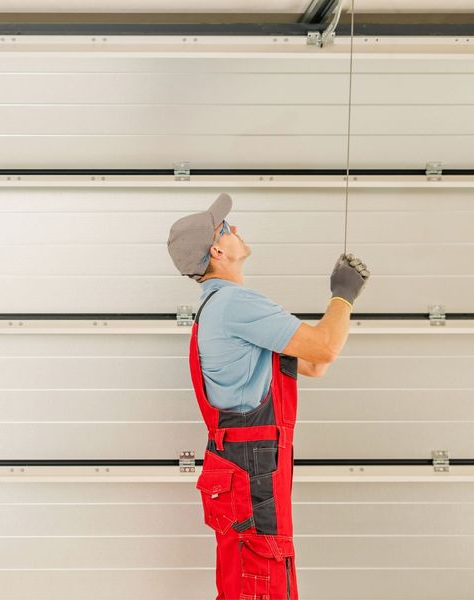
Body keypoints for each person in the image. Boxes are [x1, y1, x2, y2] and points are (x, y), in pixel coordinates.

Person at [167, 192, 370, 600]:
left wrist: (339, 307)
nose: (236, 229)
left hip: (242, 465)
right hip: (253, 466)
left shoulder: (217, 307)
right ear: (217, 249)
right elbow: (325, 348)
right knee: (262, 578)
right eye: (227, 227)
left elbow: (314, 364)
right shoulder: (235, 303)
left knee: (247, 576)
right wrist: (342, 296)